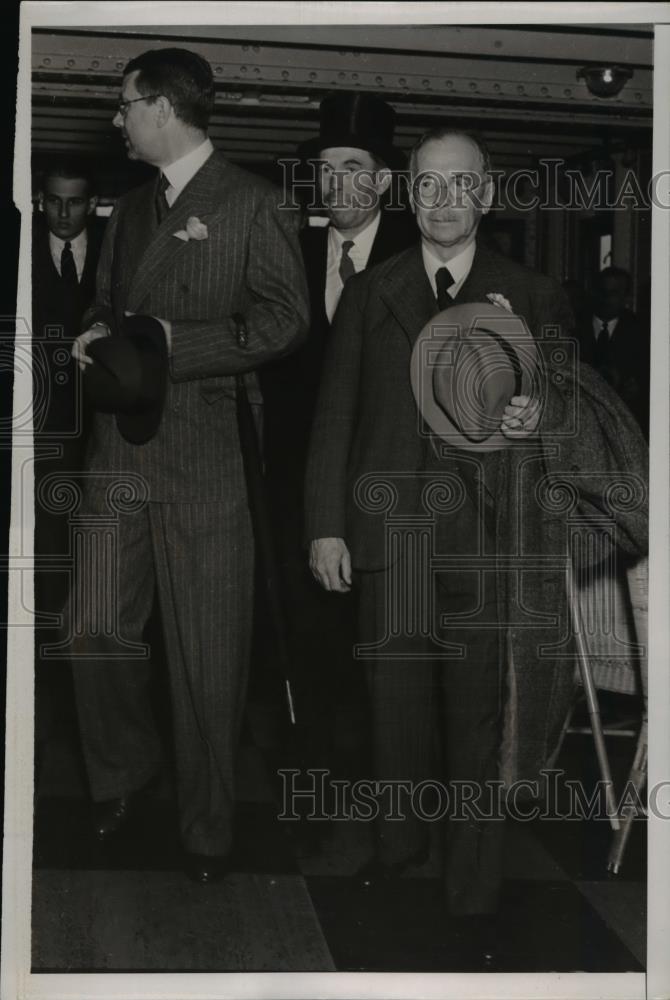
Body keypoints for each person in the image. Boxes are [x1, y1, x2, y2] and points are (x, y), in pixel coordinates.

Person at [304, 126, 647, 965]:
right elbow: (336, 415)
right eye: (429, 185)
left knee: (479, 725)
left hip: (495, 545)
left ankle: (473, 893)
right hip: (391, 541)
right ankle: (397, 853)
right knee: (393, 721)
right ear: (407, 195)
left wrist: (538, 413)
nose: (444, 200)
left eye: (461, 185)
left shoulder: (534, 294)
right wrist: (322, 526)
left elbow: (575, 410)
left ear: (486, 196)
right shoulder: (371, 290)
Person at [68, 47, 309, 884]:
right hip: (118, 456)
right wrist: (95, 331)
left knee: (208, 658)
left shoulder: (254, 203)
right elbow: (106, 299)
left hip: (208, 458)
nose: (117, 119)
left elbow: (285, 321)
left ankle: (207, 828)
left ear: (163, 109)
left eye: (125, 104)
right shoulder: (128, 209)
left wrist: (178, 345)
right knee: (89, 626)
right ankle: (124, 776)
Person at [260, 92, 416, 836]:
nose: (336, 184)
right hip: (299, 493)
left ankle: (388, 806)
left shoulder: (418, 262)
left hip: (389, 501)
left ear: (383, 182)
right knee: (310, 645)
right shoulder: (287, 255)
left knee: (383, 658)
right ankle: (321, 797)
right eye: (324, 170)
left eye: (353, 167)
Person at [32, 160, 106, 758]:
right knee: (49, 569)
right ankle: (49, 704)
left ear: (92, 205)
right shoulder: (23, 251)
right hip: (40, 442)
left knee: (99, 571)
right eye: (53, 201)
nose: (63, 213)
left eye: (74, 203)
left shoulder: (117, 253)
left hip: (105, 439)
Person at [576, 266, 649, 435]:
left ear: (627, 298)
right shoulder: (572, 325)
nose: (606, 298)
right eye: (602, 291)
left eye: (614, 293)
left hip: (624, 425)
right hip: (581, 423)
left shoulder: (642, 331)